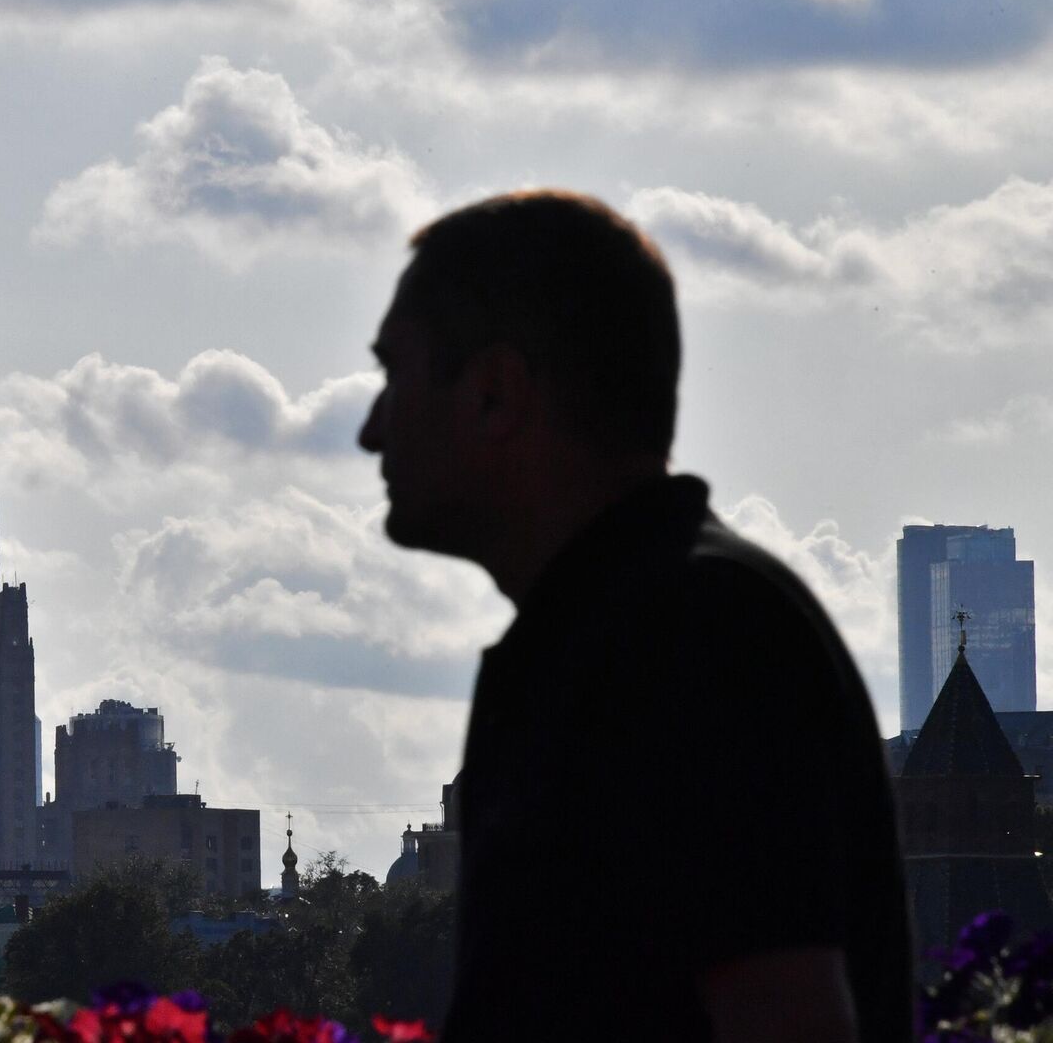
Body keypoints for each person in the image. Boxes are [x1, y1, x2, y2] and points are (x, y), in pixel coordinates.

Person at [358, 191, 912, 1042]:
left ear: (495, 394)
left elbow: (787, 1020)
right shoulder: (635, 629)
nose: (370, 429)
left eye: (394, 373)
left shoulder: (691, 640)